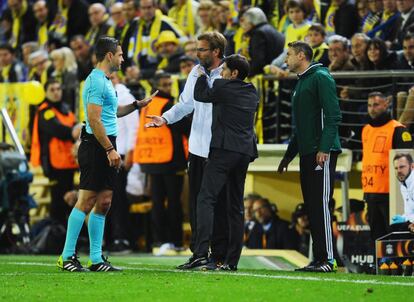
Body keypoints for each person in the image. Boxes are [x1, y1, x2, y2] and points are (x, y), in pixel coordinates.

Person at [57, 36, 156, 272]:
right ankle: (66, 256)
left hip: (106, 143)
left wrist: (135, 105)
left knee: (104, 202)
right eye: (120, 55)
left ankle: (96, 259)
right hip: (96, 146)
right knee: (86, 201)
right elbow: (94, 119)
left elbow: (112, 113)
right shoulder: (95, 81)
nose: (123, 59)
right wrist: (110, 149)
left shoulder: (106, 81)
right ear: (109, 55)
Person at [145, 32, 229, 268]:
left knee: (220, 202)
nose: (197, 54)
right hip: (197, 148)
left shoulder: (229, 71)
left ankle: (220, 253)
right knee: (195, 203)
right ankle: (199, 252)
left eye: (201, 50)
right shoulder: (195, 72)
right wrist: (165, 118)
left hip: (220, 147)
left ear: (216, 52)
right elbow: (185, 104)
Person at [181, 54, 258, 271]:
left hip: (224, 151)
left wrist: (201, 74)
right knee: (236, 207)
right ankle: (231, 261)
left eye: (224, 70)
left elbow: (201, 94)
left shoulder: (224, 87)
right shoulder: (252, 91)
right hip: (244, 153)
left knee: (205, 199)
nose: (221, 73)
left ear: (233, 74)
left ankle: (200, 253)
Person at [277, 41, 342, 273]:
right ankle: (319, 258)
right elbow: (301, 127)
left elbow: (333, 116)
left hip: (320, 152)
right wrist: (288, 157)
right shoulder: (302, 82)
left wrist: (324, 148)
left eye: (289, 55)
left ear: (302, 56)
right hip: (307, 152)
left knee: (321, 205)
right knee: (312, 207)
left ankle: (328, 260)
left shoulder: (321, 77)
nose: (286, 59)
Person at [134, 72, 190, 250]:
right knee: (174, 203)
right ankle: (176, 241)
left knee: (157, 203)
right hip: (170, 160)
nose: (167, 88)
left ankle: (159, 241)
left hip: (151, 159)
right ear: (156, 87)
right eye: (164, 85)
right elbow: (185, 127)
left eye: (168, 84)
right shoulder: (167, 105)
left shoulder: (146, 106)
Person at [361, 92, 413, 242]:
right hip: (371, 193)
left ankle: (398, 265)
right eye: (369, 105)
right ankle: (379, 265)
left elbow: (408, 168)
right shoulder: (366, 130)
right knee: (376, 236)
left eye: (376, 105)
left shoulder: (398, 130)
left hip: (392, 195)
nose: (372, 109)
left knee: (396, 236)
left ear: (386, 104)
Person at [30, 79, 79, 226]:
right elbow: (58, 130)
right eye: (52, 89)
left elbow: (74, 124)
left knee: (70, 201)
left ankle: (67, 237)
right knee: (59, 202)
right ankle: (56, 235)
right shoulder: (45, 111)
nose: (56, 92)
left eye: (58, 89)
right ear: (46, 92)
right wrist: (74, 131)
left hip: (70, 161)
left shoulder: (65, 109)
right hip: (55, 164)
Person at [391, 153, 414, 231]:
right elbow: (409, 212)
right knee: (392, 228)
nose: (398, 171)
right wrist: (404, 218)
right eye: (396, 168)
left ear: (412, 166)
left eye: (402, 167)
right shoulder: (404, 185)